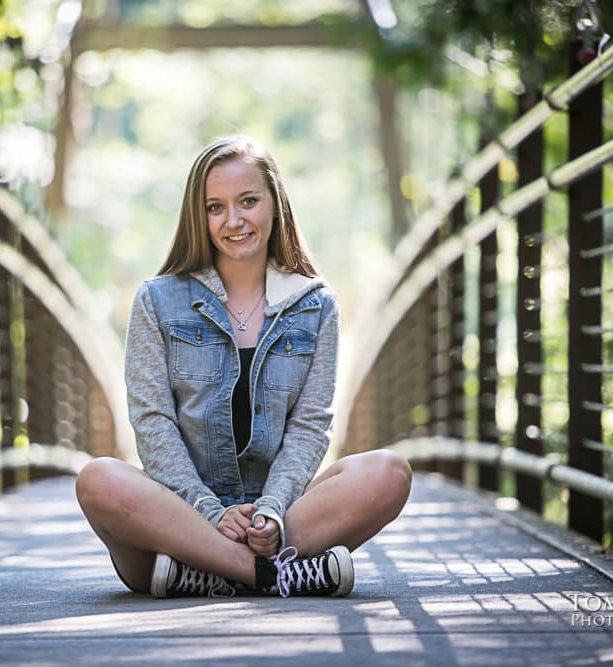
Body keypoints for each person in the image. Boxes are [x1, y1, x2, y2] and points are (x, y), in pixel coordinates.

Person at [76, 135, 411, 598]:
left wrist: (271, 511)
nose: (233, 221)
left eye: (248, 201)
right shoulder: (158, 300)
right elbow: (153, 425)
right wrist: (209, 512)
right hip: (182, 521)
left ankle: (208, 576)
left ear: (275, 203)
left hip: (278, 522)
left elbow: (309, 427)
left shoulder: (315, 307)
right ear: (199, 215)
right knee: (99, 480)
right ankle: (270, 575)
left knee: (389, 472)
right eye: (215, 207)